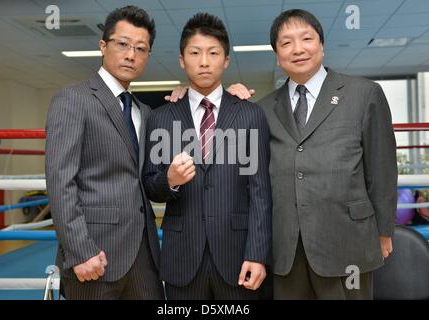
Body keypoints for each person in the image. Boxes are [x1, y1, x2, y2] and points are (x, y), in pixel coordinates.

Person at [256, 9, 397, 299]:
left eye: (306, 38)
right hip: (286, 250)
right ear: (277, 54)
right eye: (286, 43)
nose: (298, 49)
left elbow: (382, 170)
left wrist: (384, 230)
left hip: (348, 244)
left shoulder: (364, 94)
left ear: (321, 45)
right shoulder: (264, 108)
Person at [142, 12, 272, 300]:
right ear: (181, 59)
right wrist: (170, 180)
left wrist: (258, 254)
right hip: (182, 257)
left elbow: (261, 191)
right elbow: (151, 185)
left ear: (226, 60)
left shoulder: (250, 114)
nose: (203, 61)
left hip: (239, 256)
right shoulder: (161, 118)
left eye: (213, 53)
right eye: (195, 53)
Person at [45, 5, 164, 299]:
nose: (131, 54)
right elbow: (61, 181)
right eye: (122, 44)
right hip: (94, 256)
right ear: (103, 46)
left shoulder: (144, 111)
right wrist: (80, 251)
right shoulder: (73, 98)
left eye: (141, 48)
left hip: (144, 257)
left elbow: (143, 178)